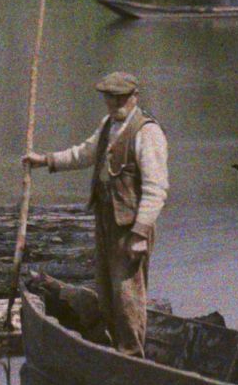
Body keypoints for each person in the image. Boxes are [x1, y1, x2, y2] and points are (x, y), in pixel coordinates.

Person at [23, 70, 169, 357]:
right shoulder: (108, 125)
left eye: (120, 98)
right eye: (109, 98)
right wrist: (46, 161)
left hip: (130, 227)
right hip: (106, 220)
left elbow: (156, 189)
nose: (114, 104)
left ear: (134, 97)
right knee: (106, 289)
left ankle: (131, 355)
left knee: (127, 294)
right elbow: (84, 154)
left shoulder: (147, 132)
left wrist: (140, 234)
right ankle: (116, 347)